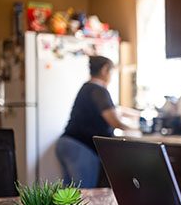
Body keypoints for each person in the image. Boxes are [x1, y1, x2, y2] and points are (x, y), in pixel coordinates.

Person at [56, 55, 134, 188]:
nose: (111, 76)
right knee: (85, 196)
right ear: (104, 70)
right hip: (82, 147)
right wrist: (133, 129)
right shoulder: (99, 90)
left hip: (66, 143)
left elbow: (112, 110)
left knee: (68, 198)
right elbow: (114, 121)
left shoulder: (87, 87)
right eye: (111, 72)